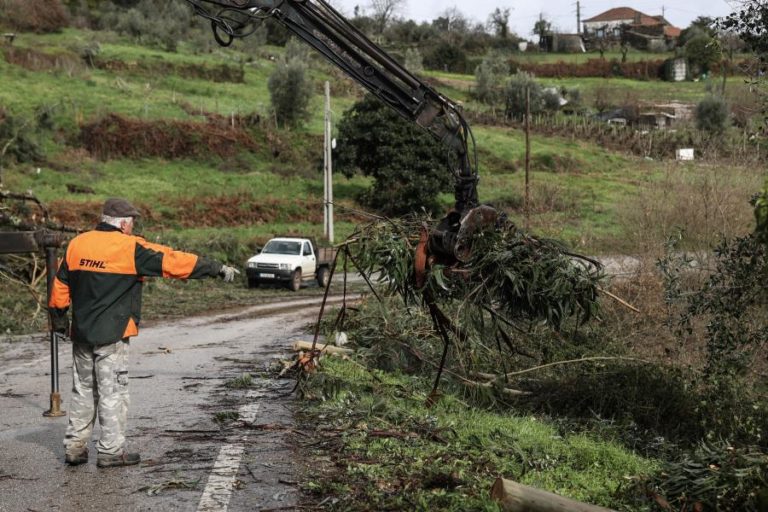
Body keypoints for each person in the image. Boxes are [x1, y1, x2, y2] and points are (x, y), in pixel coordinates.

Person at [48, 198, 240, 468]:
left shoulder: (77, 244)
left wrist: (59, 321)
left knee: (82, 390)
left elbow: (59, 286)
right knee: (113, 392)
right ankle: (110, 451)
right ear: (123, 224)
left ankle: (75, 448)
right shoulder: (130, 247)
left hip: (81, 334)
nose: (133, 227)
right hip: (112, 334)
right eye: (132, 223)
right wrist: (215, 268)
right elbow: (173, 261)